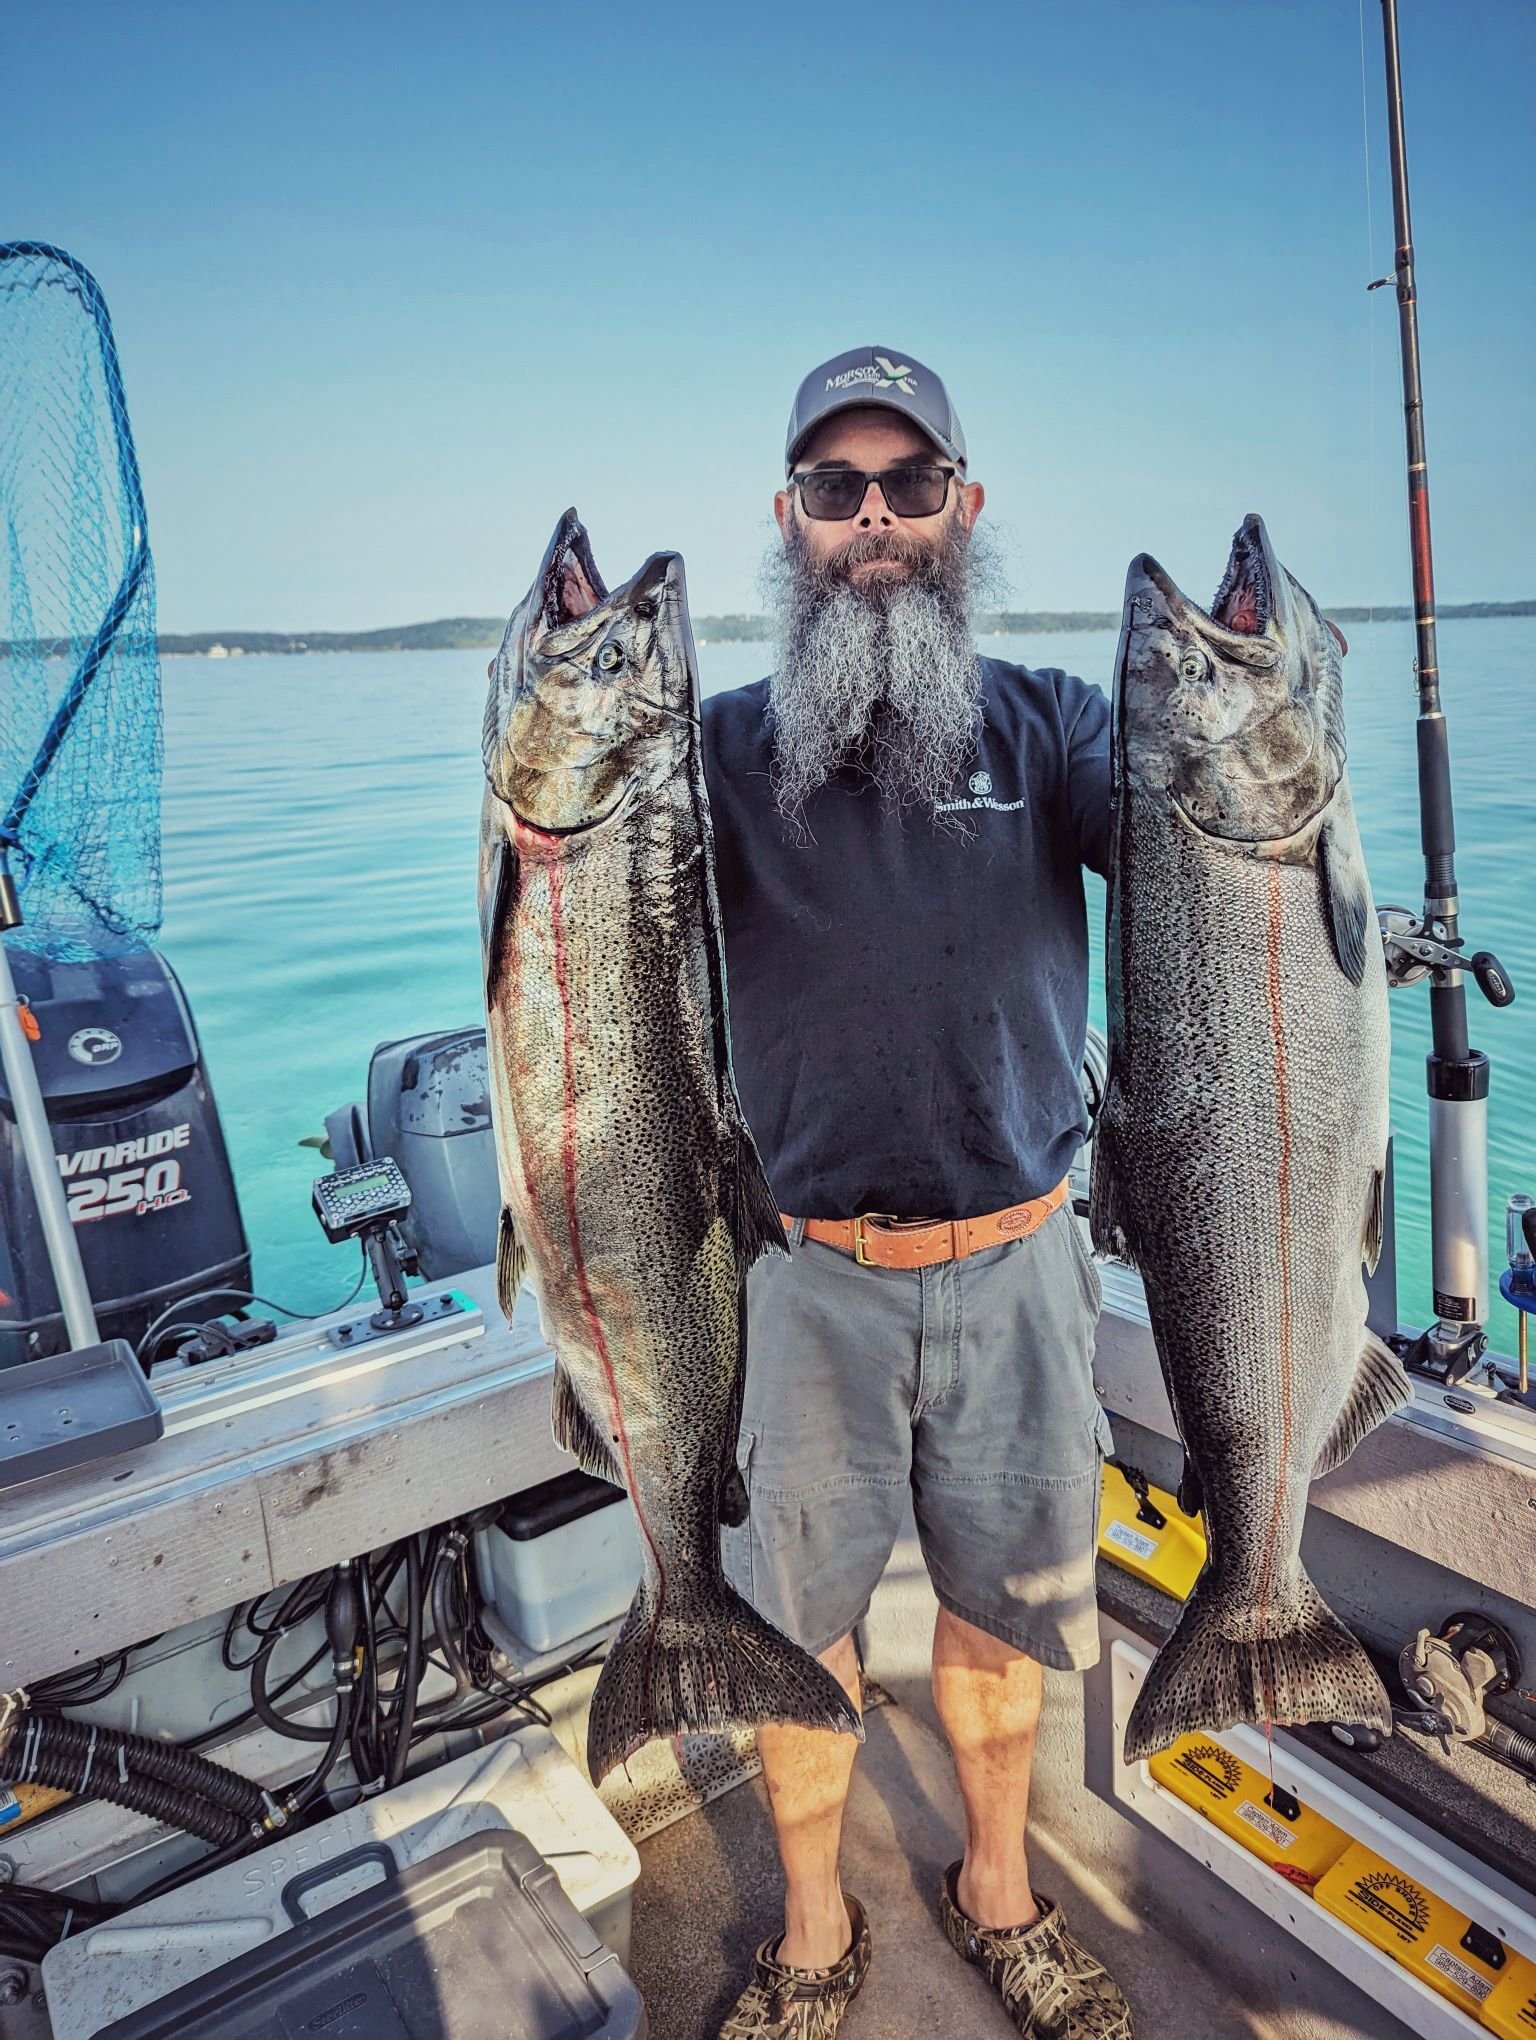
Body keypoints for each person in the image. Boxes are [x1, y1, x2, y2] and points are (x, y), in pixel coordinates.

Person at [700, 347, 1133, 2039]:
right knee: (794, 1641)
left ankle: (999, 1887)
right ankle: (815, 1934)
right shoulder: (719, 753)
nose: (873, 522)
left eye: (906, 486)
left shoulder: (1059, 726)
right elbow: (585, 883)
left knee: (1002, 1619)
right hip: (800, 1275)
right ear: (789, 522)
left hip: (1024, 1260)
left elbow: (1193, 836)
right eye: (834, 491)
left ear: (966, 506)